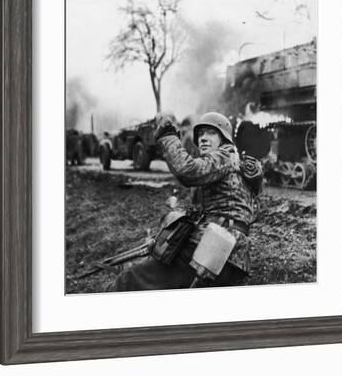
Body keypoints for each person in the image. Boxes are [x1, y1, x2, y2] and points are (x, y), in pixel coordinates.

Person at [108, 111, 263, 292]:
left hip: (214, 250)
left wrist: (167, 136)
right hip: (233, 256)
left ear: (225, 140)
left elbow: (186, 171)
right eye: (201, 134)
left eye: (211, 133)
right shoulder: (233, 166)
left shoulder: (225, 156)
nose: (204, 138)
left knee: (131, 279)